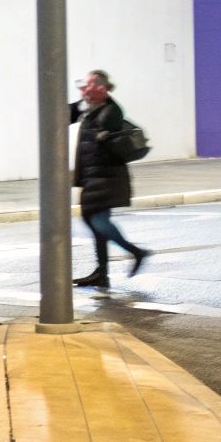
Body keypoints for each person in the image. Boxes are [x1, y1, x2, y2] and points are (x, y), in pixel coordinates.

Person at [69, 70, 150, 287]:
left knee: (97, 221)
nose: (82, 90)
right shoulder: (91, 108)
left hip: (106, 179)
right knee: (93, 221)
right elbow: (66, 115)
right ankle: (102, 273)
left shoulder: (110, 111)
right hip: (94, 177)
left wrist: (99, 129)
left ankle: (136, 252)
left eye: (87, 86)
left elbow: (108, 136)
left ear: (101, 89)